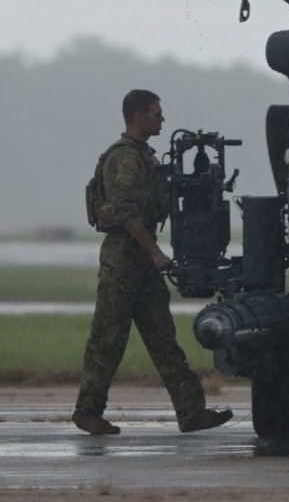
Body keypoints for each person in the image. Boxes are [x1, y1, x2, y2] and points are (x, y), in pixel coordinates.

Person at [71, 89, 233, 435]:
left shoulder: (144, 156)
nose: (163, 119)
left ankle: (191, 412)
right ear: (139, 116)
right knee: (107, 339)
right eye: (157, 114)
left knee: (163, 339)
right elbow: (126, 211)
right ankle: (87, 411)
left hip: (140, 261)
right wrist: (155, 253)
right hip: (124, 259)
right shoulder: (124, 159)